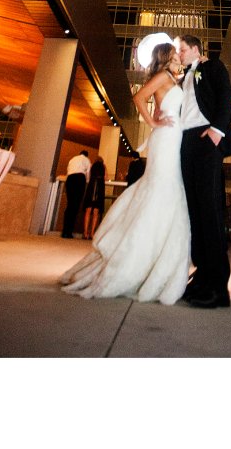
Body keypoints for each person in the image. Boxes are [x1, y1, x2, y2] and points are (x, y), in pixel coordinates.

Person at [60, 43, 189, 305]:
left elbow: (164, 99)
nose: (178, 56)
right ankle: (138, 260)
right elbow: (138, 97)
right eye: (174, 54)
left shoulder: (172, 78)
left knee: (165, 191)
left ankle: (154, 260)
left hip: (171, 137)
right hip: (165, 137)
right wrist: (154, 123)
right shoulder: (164, 77)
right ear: (166, 57)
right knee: (161, 190)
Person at [176, 35, 231, 308]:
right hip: (186, 142)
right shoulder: (182, 78)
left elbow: (226, 97)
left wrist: (217, 130)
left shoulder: (212, 67)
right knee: (194, 211)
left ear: (195, 49)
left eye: (181, 50)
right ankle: (202, 275)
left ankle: (218, 286)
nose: (178, 54)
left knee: (210, 209)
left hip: (206, 139)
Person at [61, 150, 90, 238]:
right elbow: (88, 173)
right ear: (86, 155)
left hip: (70, 179)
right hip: (79, 179)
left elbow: (68, 170)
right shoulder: (86, 160)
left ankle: (64, 231)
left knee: (69, 205)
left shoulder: (73, 159)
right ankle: (69, 232)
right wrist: (87, 182)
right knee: (75, 206)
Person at [81, 157, 107, 240]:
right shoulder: (104, 166)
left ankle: (85, 233)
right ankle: (92, 233)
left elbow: (88, 177)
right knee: (96, 212)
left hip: (91, 186)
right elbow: (105, 177)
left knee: (88, 211)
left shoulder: (92, 165)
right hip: (99, 187)